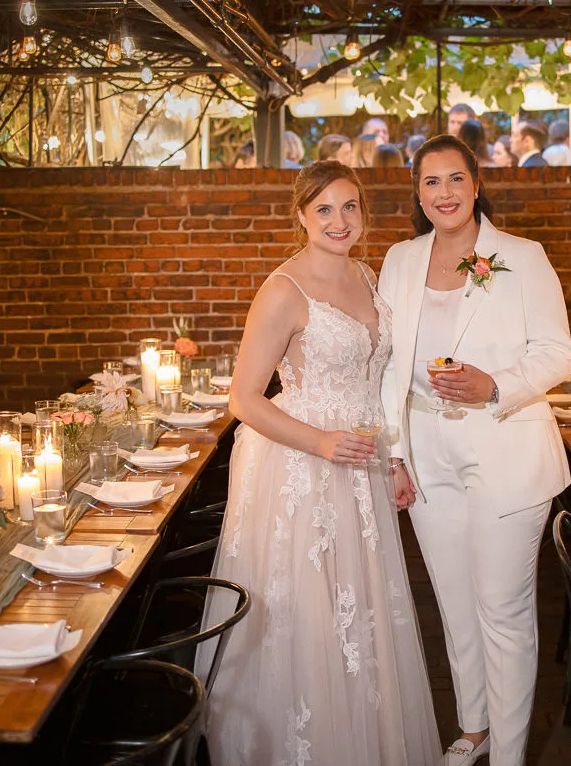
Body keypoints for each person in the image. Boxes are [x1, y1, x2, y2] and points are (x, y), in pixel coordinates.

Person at [197, 160, 441, 766]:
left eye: (350, 207)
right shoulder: (283, 289)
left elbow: (375, 385)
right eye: (324, 209)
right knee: (306, 613)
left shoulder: (368, 275)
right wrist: (321, 443)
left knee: (359, 615)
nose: (339, 220)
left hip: (361, 464)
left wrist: (392, 459)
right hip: (298, 468)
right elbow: (244, 399)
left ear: (363, 213)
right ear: (302, 215)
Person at [378, 135, 571, 766]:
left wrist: (496, 385)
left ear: (476, 183)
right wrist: (395, 453)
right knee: (456, 604)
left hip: (506, 449)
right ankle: (474, 730)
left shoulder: (521, 256)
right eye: (431, 182)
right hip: (427, 451)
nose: (445, 193)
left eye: (456, 179)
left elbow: (557, 354)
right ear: (417, 191)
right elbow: (386, 366)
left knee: (503, 607)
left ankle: (511, 754)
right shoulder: (400, 261)